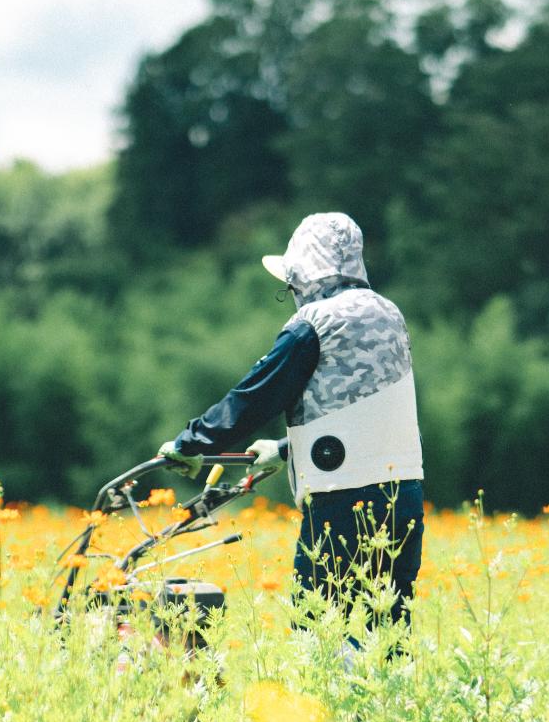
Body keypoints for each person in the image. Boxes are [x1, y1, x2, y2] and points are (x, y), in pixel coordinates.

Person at [158, 212, 424, 634]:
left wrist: (191, 442)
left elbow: (257, 394)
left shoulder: (314, 324)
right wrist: (284, 449)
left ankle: (328, 702)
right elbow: (369, 413)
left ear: (304, 275)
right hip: (404, 498)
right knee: (386, 631)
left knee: (317, 630)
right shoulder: (389, 315)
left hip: (342, 503)